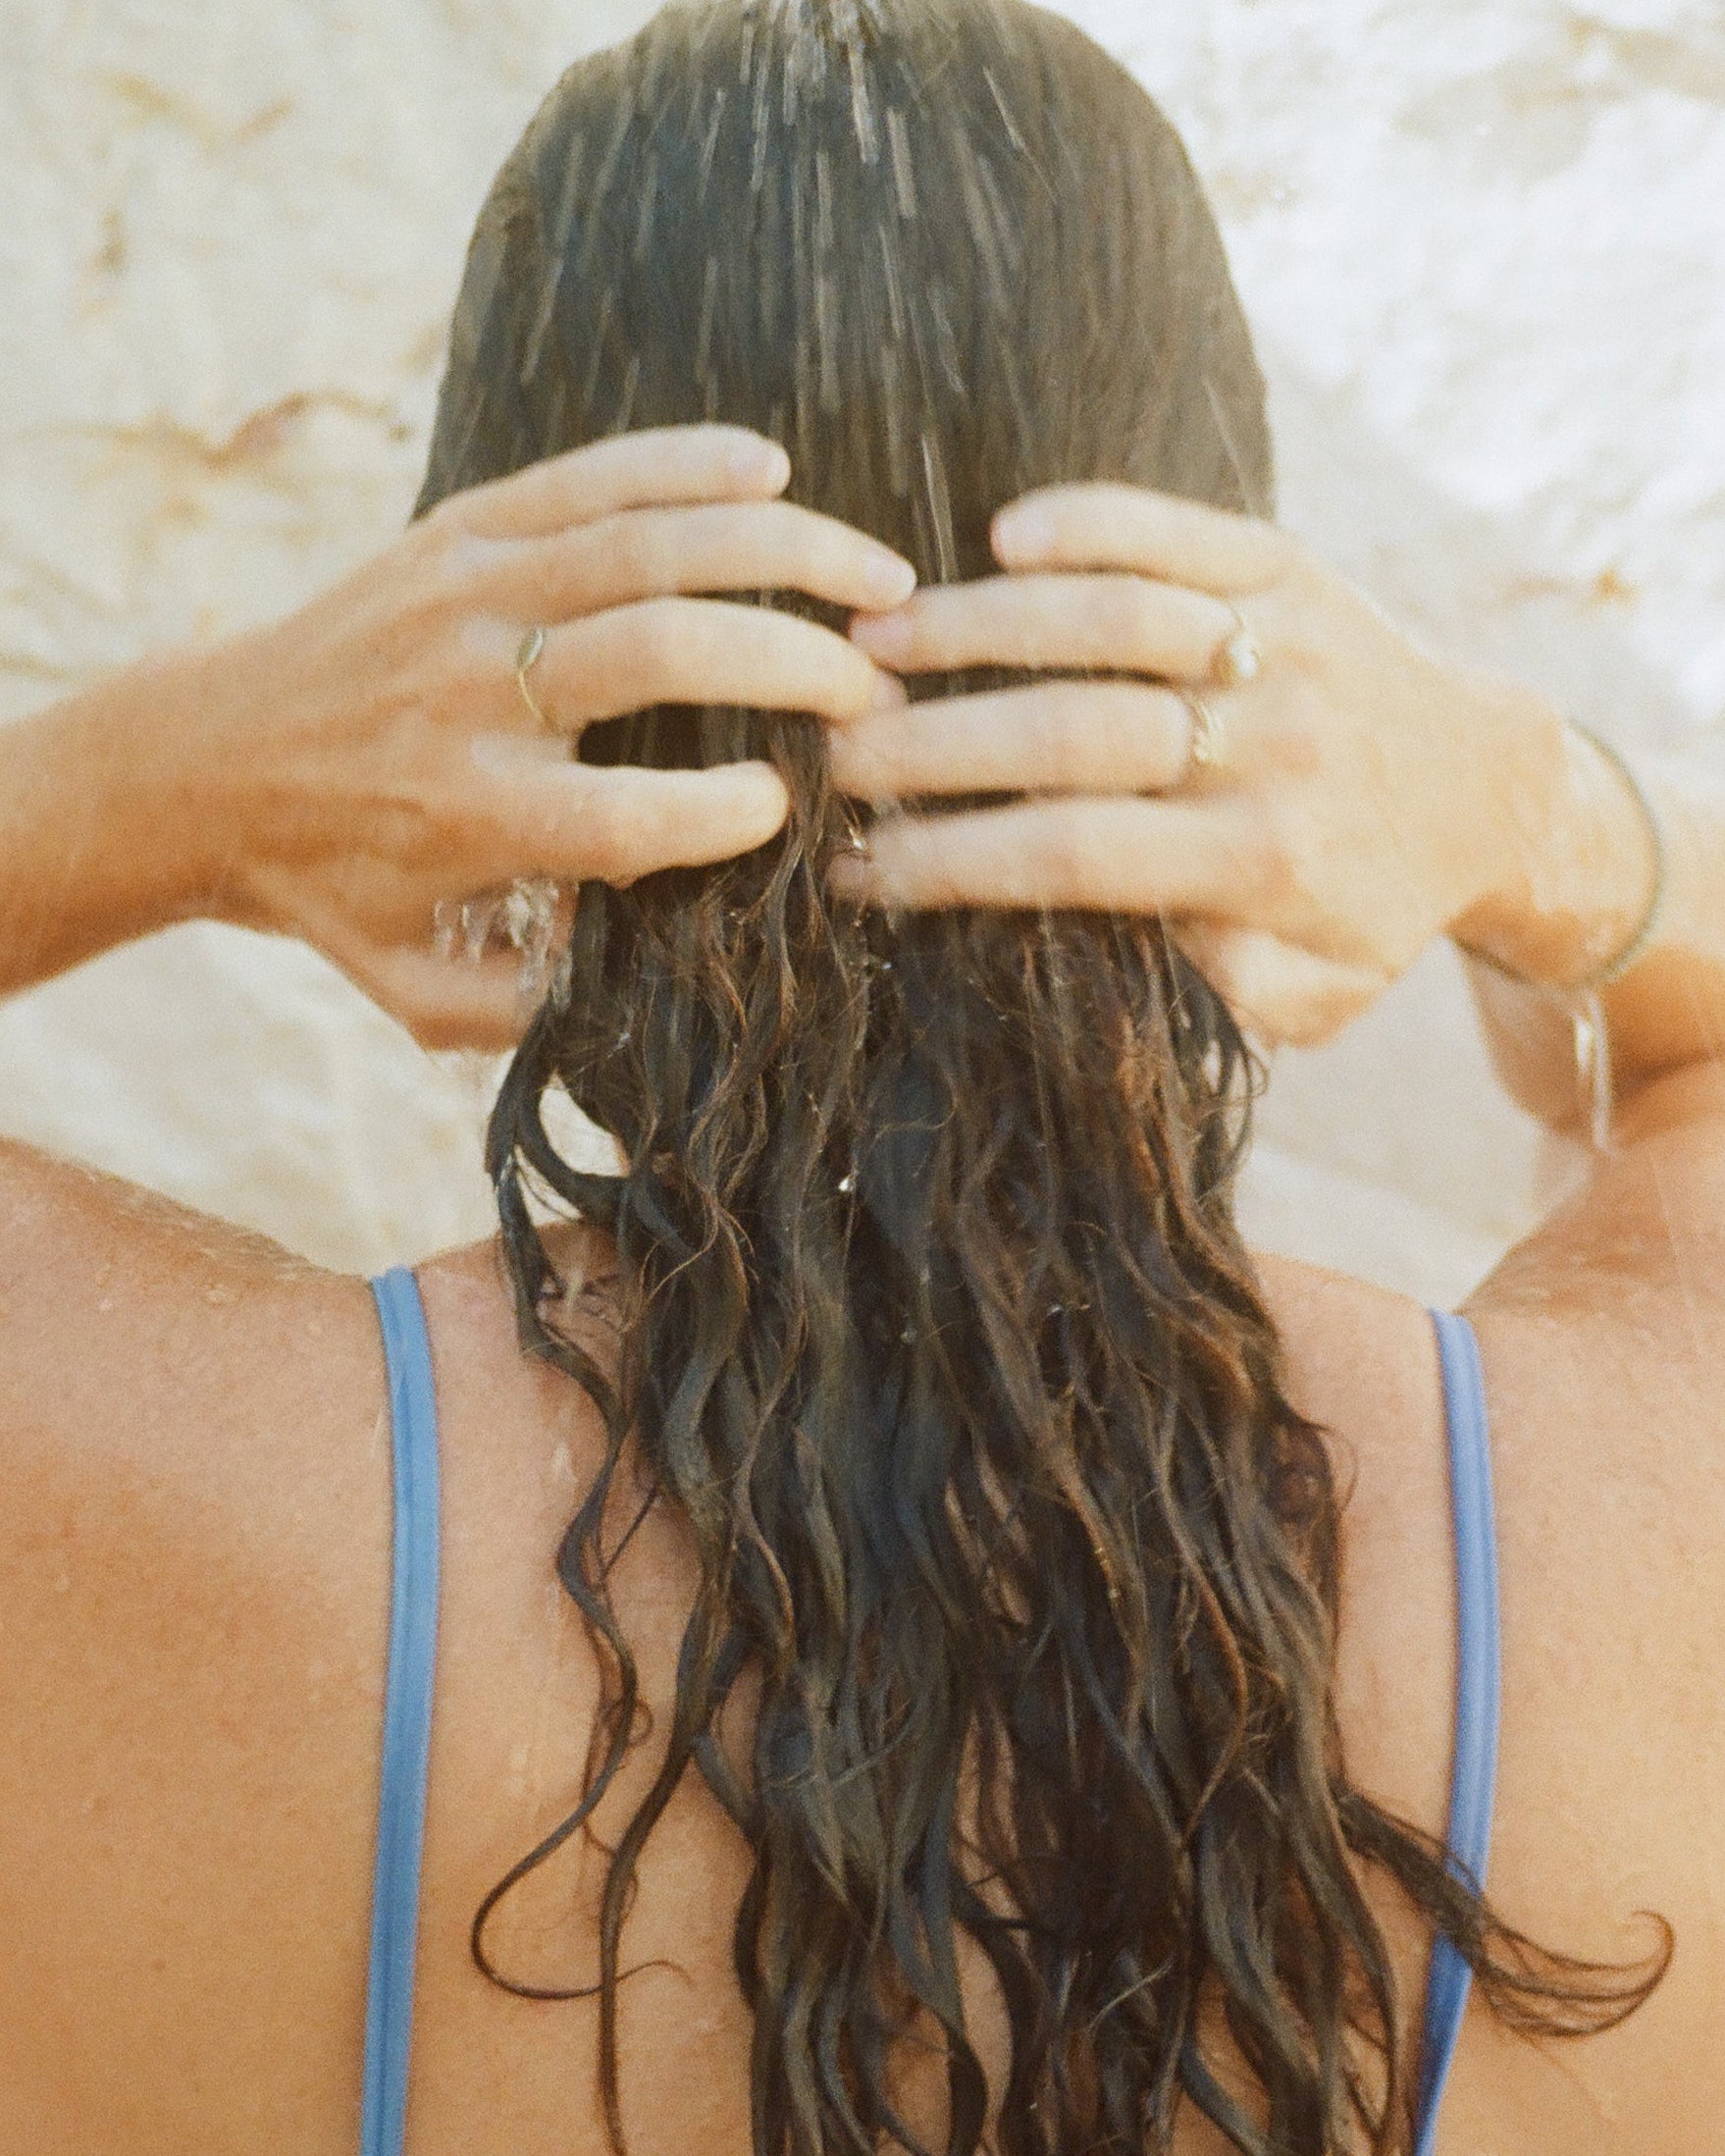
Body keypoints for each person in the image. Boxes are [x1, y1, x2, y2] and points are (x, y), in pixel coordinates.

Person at [2, 3, 1722, 2153]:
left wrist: (172, 781)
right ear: (1243, 697)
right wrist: (1530, 812)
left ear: (474, 718)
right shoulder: (1649, 1526)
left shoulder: (108, 1488)